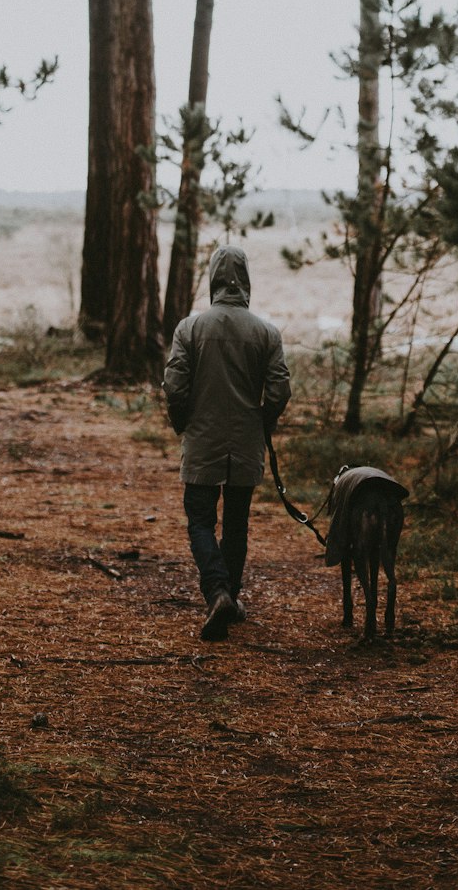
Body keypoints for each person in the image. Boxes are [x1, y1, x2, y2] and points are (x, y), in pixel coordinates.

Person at [162, 243, 291, 641]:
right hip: (246, 446)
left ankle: (217, 592)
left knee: (200, 521)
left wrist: (183, 423)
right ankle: (229, 597)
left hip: (202, 441)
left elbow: (174, 385)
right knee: (236, 525)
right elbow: (280, 388)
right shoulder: (266, 332)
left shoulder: (190, 328)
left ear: (213, 280)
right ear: (246, 281)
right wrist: (262, 422)